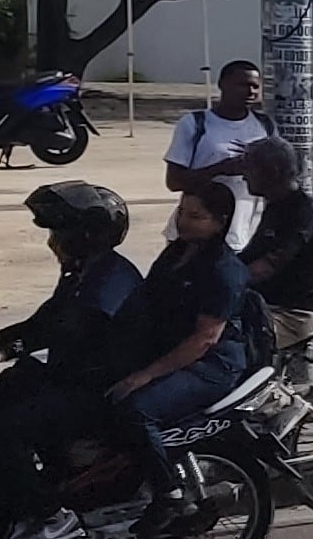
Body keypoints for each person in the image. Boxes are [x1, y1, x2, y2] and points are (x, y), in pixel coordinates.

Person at [0, 184, 144, 539]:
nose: (52, 241)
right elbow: (41, 323)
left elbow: (71, 330)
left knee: (1, 430)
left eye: (59, 232)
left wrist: (7, 350)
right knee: (4, 390)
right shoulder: (81, 273)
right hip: (70, 374)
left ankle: (47, 518)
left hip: (99, 388)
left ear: (85, 236)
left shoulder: (110, 279)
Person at [102, 186, 260, 474]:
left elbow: (204, 339)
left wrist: (146, 375)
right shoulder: (175, 254)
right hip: (167, 351)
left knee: (136, 410)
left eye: (196, 217)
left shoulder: (224, 270)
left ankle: (167, 490)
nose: (183, 222)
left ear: (220, 222)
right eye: (182, 212)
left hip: (209, 366)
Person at [234, 137, 313, 359]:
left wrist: (226, 282)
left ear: (272, 172)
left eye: (249, 168)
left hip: (292, 314)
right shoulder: (274, 207)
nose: (243, 175)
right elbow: (246, 258)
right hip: (263, 305)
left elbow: (267, 266)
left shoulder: (304, 211)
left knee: (221, 342)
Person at [164, 59, 272, 249]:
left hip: (244, 235)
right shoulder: (195, 124)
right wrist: (221, 169)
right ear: (222, 84)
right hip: (195, 236)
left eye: (255, 86)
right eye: (242, 85)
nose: (250, 92)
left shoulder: (265, 126)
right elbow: (173, 182)